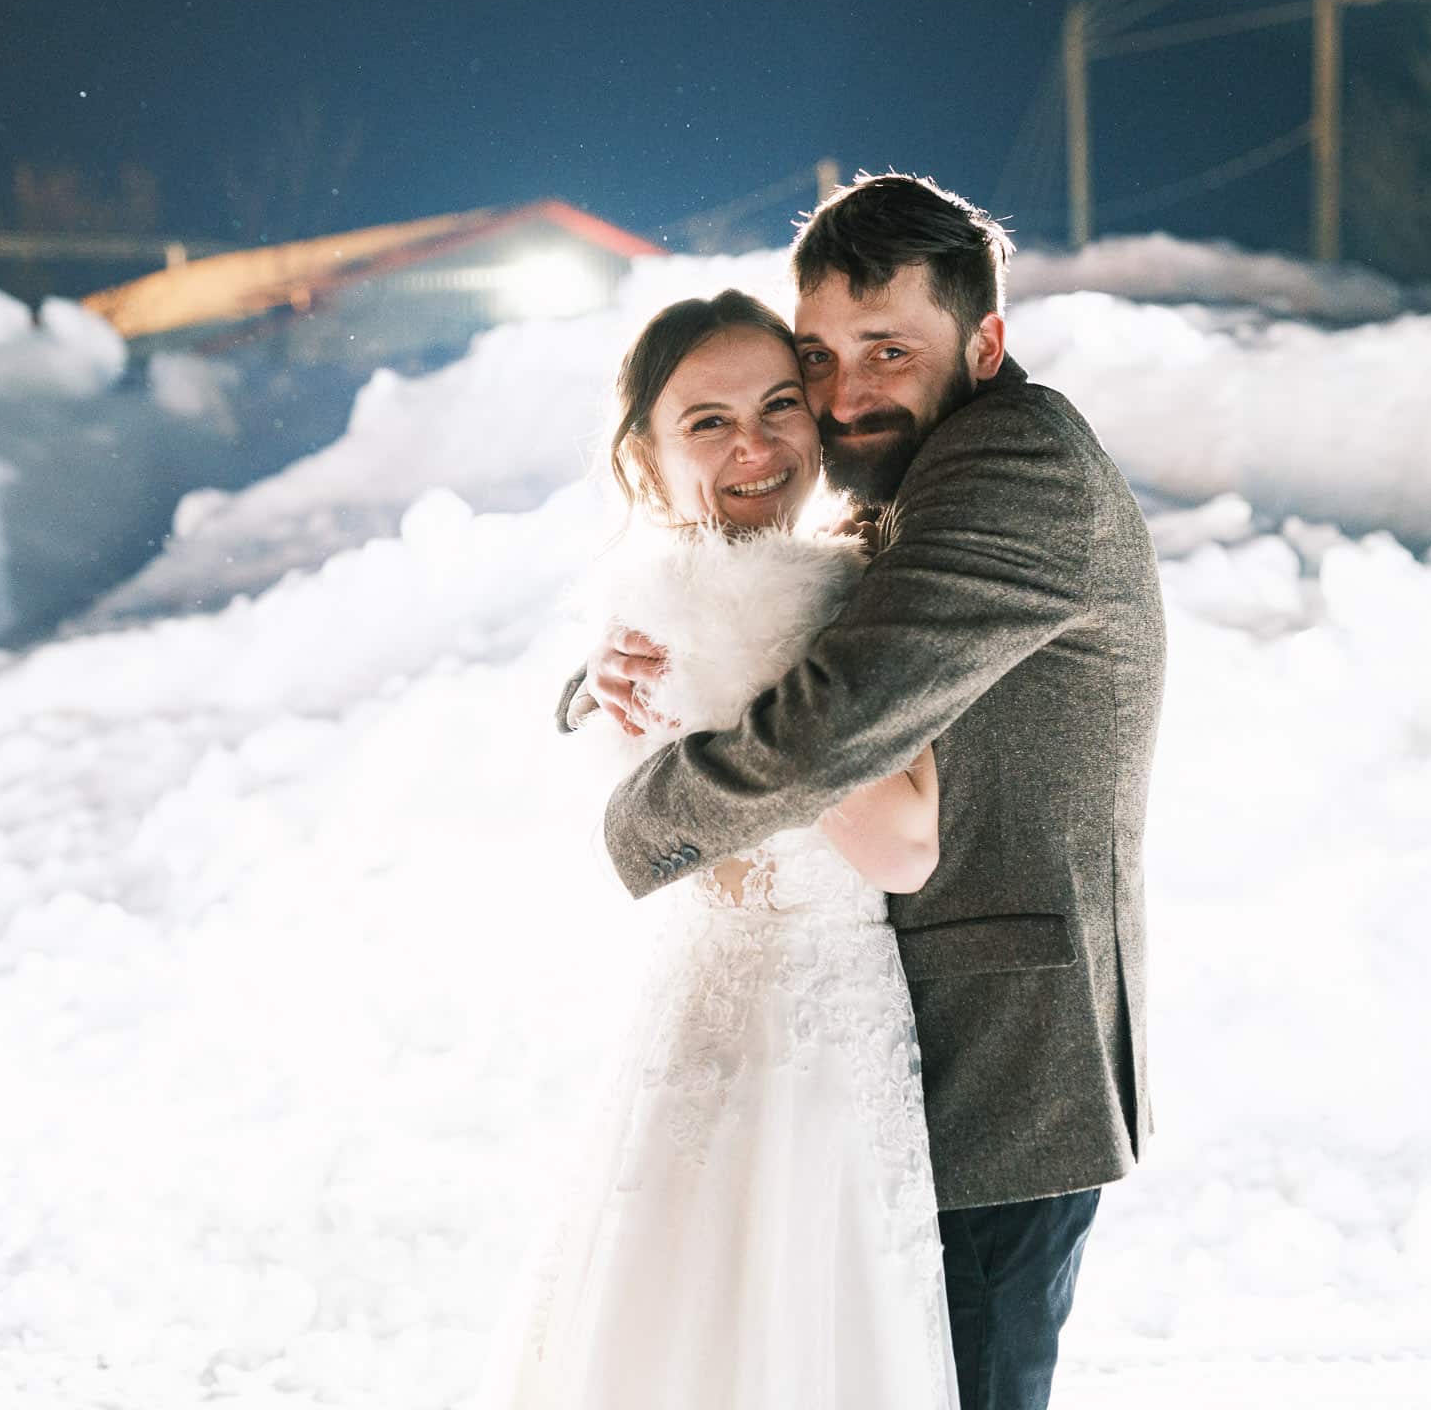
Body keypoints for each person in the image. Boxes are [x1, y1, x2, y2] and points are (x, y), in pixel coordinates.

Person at [566, 174, 1167, 1410]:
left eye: (887, 351)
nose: (842, 396)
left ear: (983, 343)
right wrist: (613, 674)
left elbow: (824, 724)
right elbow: (785, 622)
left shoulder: (1009, 465)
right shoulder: (908, 482)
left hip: (995, 1070)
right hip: (888, 1069)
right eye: (819, 357)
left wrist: (640, 819)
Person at [476, 289, 959, 1409]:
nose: (756, 445)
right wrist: (757, 662)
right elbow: (900, 850)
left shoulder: (711, 605)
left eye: (780, 405)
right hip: (775, 1033)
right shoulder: (734, 618)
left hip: (770, 1029)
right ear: (643, 460)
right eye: (708, 422)